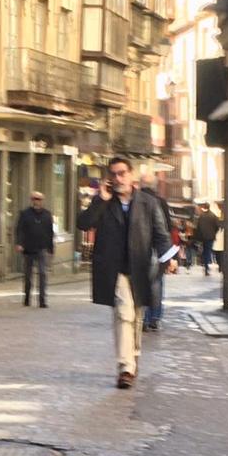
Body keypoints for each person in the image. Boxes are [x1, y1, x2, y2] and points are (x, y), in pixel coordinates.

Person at [77, 157, 174, 390]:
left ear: (131, 175)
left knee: (137, 317)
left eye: (122, 173)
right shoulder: (105, 202)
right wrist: (101, 199)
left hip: (141, 268)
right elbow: (83, 223)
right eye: (113, 174)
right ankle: (125, 368)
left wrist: (168, 257)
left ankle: (132, 358)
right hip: (114, 269)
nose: (118, 178)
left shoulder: (148, 203)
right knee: (124, 313)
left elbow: (161, 234)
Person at [138, 173, 175, 332]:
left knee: (141, 283)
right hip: (158, 250)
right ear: (154, 185)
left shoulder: (136, 201)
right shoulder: (161, 202)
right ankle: (155, 317)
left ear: (140, 184)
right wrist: (168, 254)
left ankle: (144, 318)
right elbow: (167, 227)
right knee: (157, 283)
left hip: (141, 248)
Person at [14, 192, 54, 308]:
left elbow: (50, 232)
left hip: (41, 248)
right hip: (28, 248)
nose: (37, 201)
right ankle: (27, 297)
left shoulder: (47, 215)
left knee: (42, 273)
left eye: (39, 199)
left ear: (42, 201)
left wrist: (50, 248)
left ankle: (42, 300)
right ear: (32, 200)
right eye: (35, 199)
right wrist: (19, 243)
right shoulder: (25, 214)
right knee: (28, 275)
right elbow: (19, 229)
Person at [195, 203, 222, 276]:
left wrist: (198, 236)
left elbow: (198, 227)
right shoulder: (213, 216)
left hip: (203, 237)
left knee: (205, 251)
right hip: (210, 237)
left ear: (204, 207)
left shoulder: (201, 216)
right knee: (208, 251)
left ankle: (206, 266)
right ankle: (206, 267)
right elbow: (218, 226)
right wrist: (214, 233)